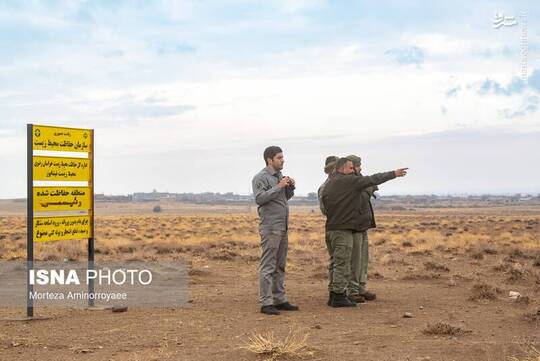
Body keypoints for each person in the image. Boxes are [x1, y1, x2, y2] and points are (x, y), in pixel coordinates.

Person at [322, 158, 408, 307]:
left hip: (333, 228)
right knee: (342, 263)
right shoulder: (348, 182)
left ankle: (336, 295)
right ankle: (338, 296)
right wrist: (394, 173)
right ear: (341, 169)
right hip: (342, 230)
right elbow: (373, 179)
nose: (354, 171)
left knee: (338, 263)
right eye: (350, 168)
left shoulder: (330, 184)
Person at [251, 146, 299, 315]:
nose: (283, 160)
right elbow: (260, 199)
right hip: (270, 227)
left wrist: (289, 187)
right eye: (279, 157)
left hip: (282, 226)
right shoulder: (260, 177)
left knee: (280, 265)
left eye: (282, 157)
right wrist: (279, 186)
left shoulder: (280, 176)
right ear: (269, 160)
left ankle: (279, 299)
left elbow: (283, 198)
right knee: (268, 265)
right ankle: (266, 302)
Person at [345, 155, 378, 303]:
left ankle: (361, 287)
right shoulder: (350, 183)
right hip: (354, 226)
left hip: (363, 225)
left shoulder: (360, 180)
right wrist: (369, 189)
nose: (360, 168)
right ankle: (352, 290)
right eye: (357, 166)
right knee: (355, 260)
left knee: (363, 259)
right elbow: (361, 199)